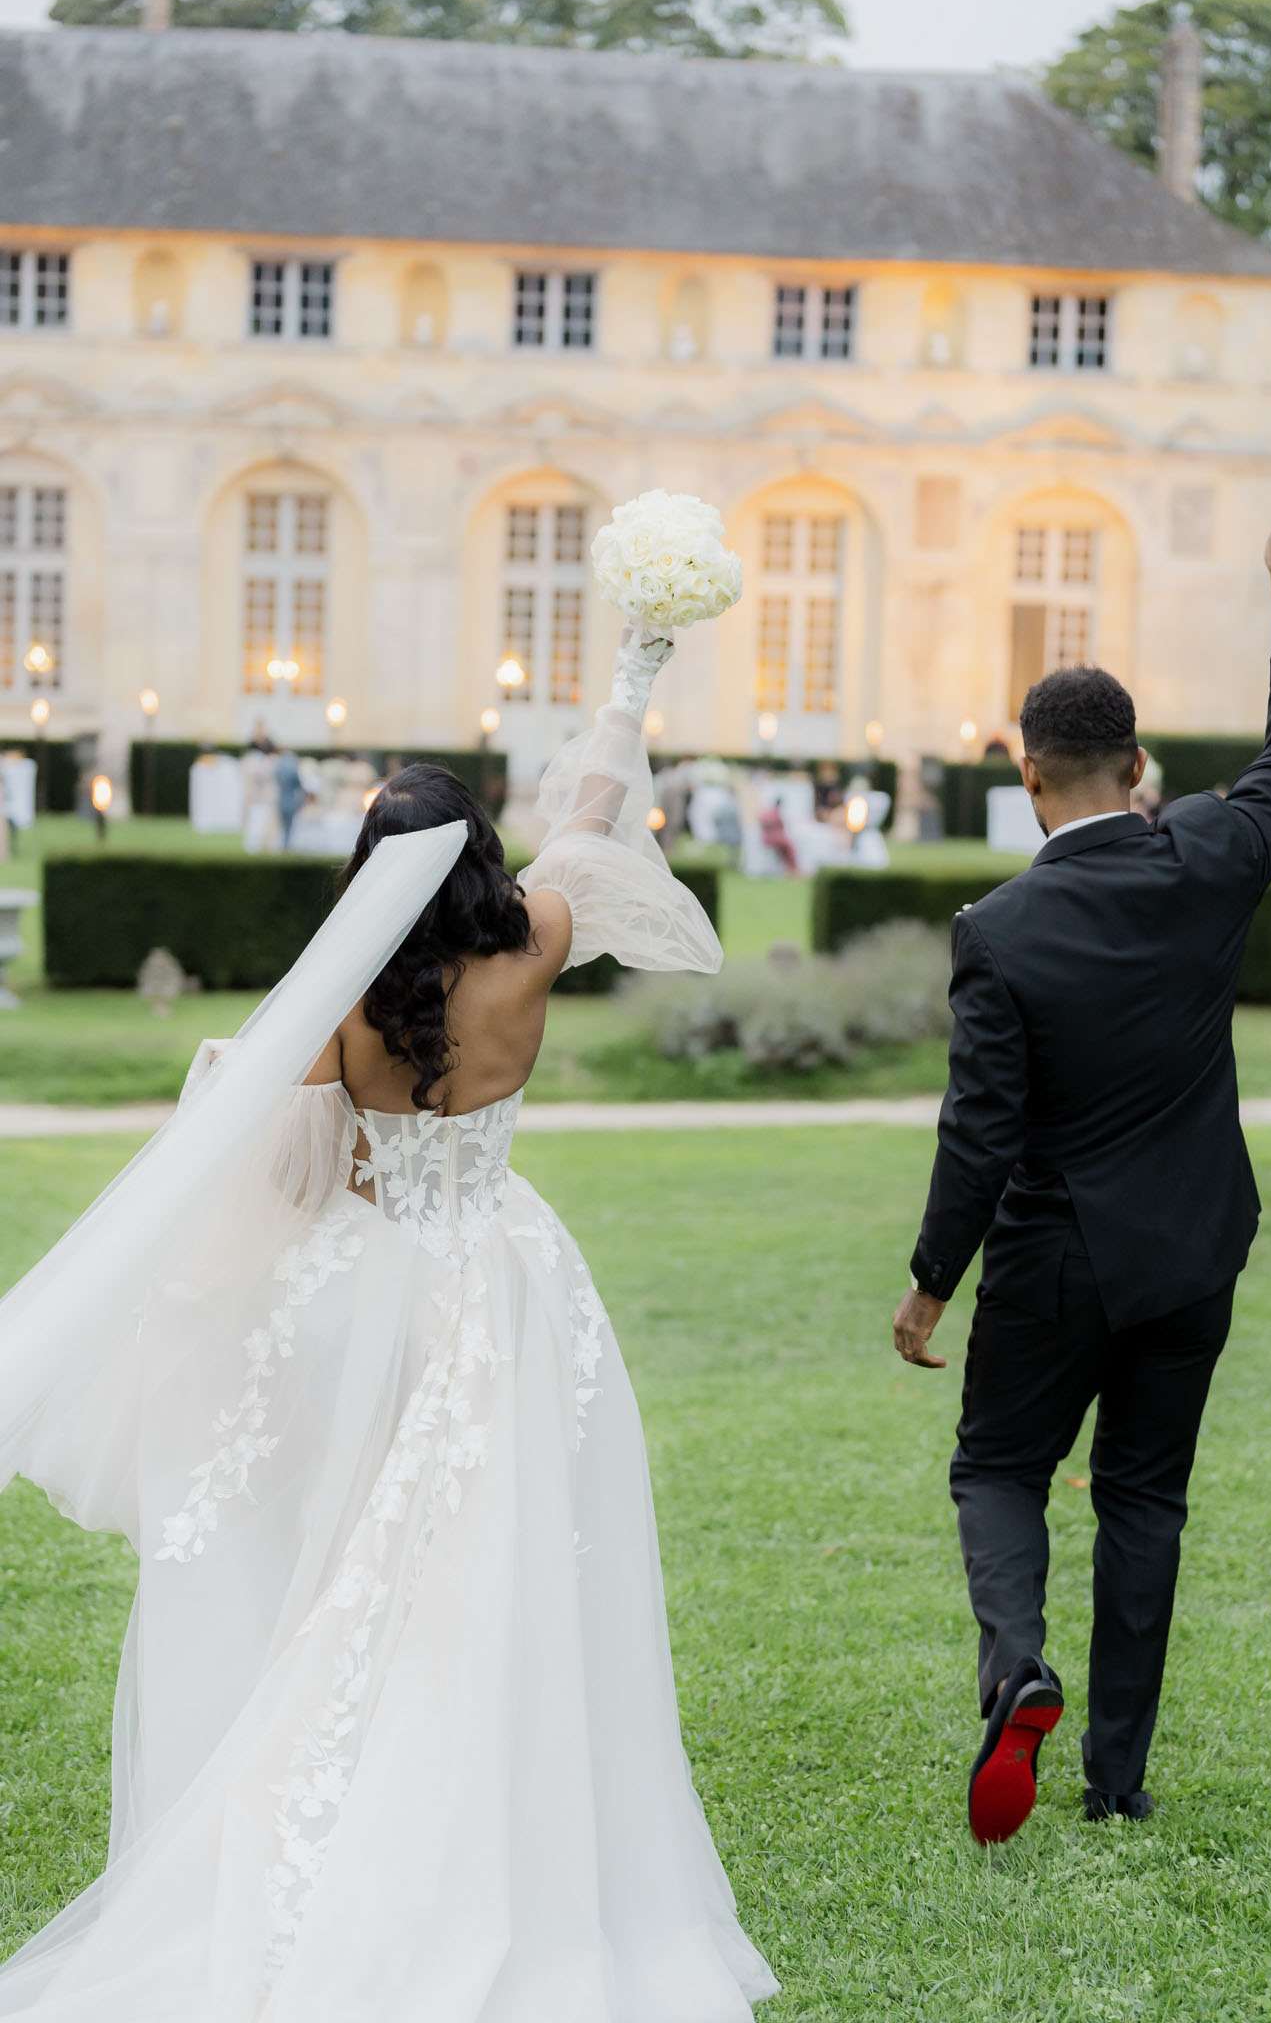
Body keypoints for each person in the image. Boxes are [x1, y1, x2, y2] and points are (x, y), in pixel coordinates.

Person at [0, 630, 777, 2019]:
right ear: (481, 859)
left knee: (358, 1546)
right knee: (505, 1536)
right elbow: (590, 810)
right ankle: (485, 1772)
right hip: (512, 1282)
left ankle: (349, 1765)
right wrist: (630, 679)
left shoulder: (347, 1008)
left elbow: (266, 1149)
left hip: (372, 1295)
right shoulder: (534, 945)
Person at [891, 471, 1271, 1845]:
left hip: (1052, 1252)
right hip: (1193, 1246)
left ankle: (1017, 1669)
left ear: (1027, 776)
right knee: (1145, 1496)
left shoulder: (999, 933)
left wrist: (927, 1284)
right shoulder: (1203, 857)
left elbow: (980, 1135)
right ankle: (1116, 1780)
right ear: (1134, 769)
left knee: (996, 1471)